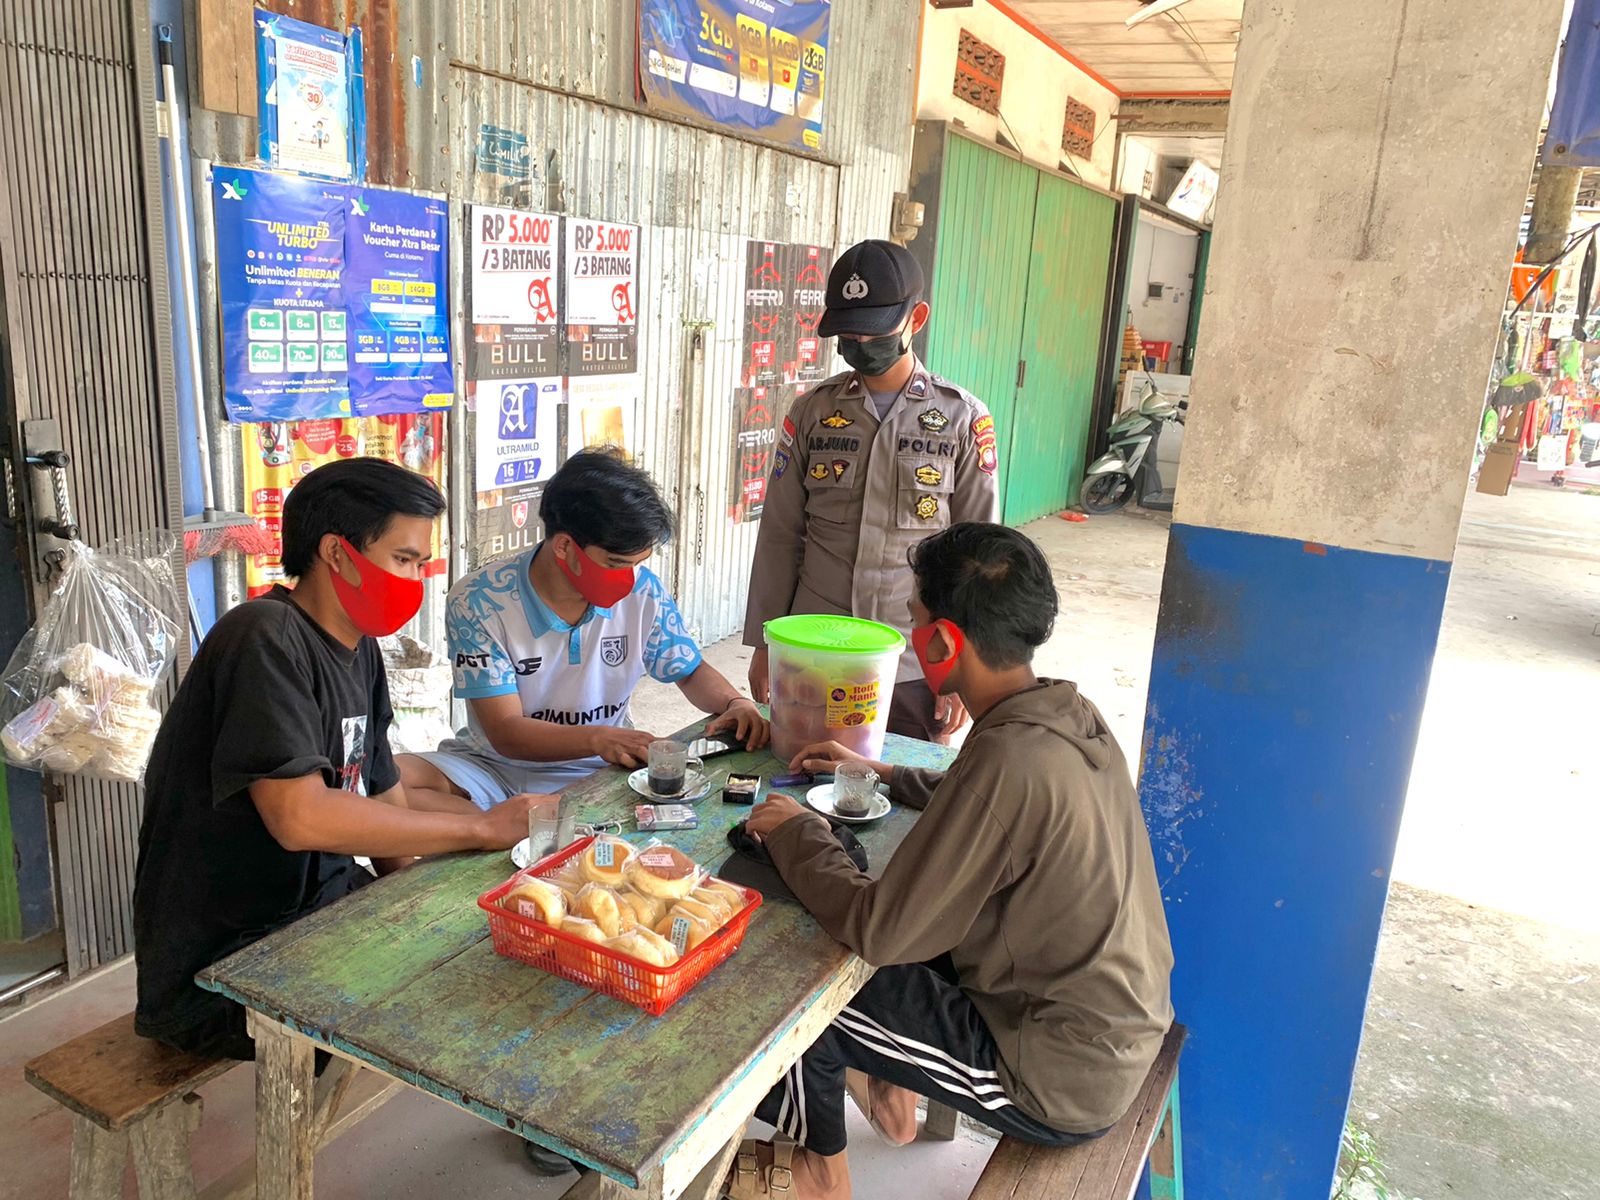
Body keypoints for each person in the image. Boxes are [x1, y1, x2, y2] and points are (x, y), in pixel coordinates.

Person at [726, 523, 1174, 1200]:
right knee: (896, 919)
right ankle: (892, 1090)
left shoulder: (1007, 758)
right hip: (1112, 1028)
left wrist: (797, 832)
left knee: (797, 995)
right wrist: (881, 773)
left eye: (914, 619)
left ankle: (819, 1172)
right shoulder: (1064, 715)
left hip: (1053, 1077)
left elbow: (879, 929)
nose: (911, 636)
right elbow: (983, 801)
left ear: (941, 643)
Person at [133, 459, 538, 1062]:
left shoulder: (360, 648)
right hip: (225, 965)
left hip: (318, 913)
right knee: (466, 1017)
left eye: (421, 564)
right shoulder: (263, 637)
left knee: (500, 955)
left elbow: (383, 790)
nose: (417, 579)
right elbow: (300, 818)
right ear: (336, 553)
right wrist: (481, 827)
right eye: (404, 559)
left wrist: (416, 899)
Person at [398, 449, 768, 815]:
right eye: (616, 564)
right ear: (564, 546)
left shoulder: (644, 593)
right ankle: (502, 824)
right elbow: (506, 730)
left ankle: (511, 823)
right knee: (388, 782)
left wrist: (734, 703)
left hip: (602, 768)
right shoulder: (479, 600)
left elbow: (689, 670)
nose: (628, 578)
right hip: (494, 769)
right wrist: (597, 737)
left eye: (637, 564)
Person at [743, 239, 999, 744]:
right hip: (813, 650)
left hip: (911, 662)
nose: (860, 343)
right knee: (799, 776)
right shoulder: (812, 412)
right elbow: (780, 534)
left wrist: (966, 667)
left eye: (874, 331)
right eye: (848, 334)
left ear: (916, 319)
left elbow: (980, 556)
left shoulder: (962, 419)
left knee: (904, 785)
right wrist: (766, 641)